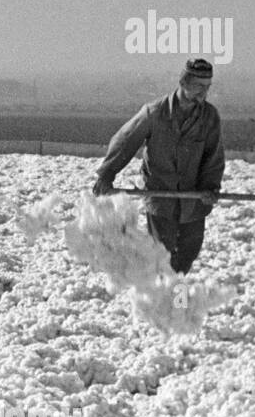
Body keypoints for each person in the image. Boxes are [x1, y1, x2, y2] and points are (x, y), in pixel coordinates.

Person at [93, 58, 225, 274]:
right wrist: (107, 175)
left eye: (207, 87)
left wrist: (211, 188)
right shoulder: (154, 113)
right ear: (184, 82)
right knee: (163, 256)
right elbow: (125, 141)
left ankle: (173, 300)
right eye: (199, 87)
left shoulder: (210, 117)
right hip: (161, 198)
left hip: (193, 201)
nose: (204, 93)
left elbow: (213, 157)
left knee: (187, 256)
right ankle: (166, 302)